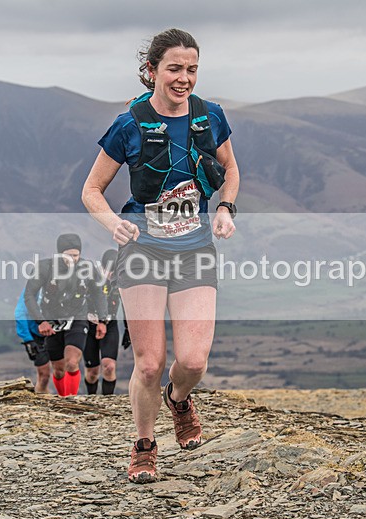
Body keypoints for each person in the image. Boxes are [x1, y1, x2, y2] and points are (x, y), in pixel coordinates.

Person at [81, 28, 239, 483]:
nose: (184, 78)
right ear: (152, 70)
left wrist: (225, 209)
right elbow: (91, 190)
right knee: (148, 363)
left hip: (193, 250)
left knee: (193, 362)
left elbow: (230, 171)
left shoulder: (211, 117)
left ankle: (180, 398)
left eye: (191, 69)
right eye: (174, 68)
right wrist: (114, 224)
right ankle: (145, 443)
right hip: (143, 249)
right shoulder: (130, 123)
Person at [23, 233, 107, 396]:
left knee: (72, 361)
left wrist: (102, 320)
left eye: (76, 255)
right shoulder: (45, 267)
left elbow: (98, 292)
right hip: (52, 319)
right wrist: (40, 321)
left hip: (77, 317)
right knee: (59, 369)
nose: (72, 259)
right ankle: (63, 399)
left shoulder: (88, 268)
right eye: (68, 256)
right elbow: (29, 295)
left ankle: (72, 401)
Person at [83, 249, 123, 395]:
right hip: (90, 325)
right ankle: (91, 398)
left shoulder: (120, 278)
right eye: (109, 270)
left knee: (109, 366)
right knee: (92, 372)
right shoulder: (91, 276)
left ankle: (109, 401)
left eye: (114, 271)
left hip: (110, 324)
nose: (111, 274)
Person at [15, 286, 50, 394]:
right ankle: (42, 400)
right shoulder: (32, 289)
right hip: (37, 335)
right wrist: (28, 339)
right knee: (44, 376)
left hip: (58, 332)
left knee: (62, 370)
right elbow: (20, 313)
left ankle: (67, 398)